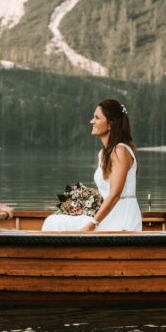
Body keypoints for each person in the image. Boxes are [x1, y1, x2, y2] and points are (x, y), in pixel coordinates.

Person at [42, 99, 142, 232]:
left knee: (55, 222)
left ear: (110, 124)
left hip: (122, 217)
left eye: (97, 118)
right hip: (107, 215)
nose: (91, 121)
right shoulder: (104, 153)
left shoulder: (120, 151)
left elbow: (115, 196)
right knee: (55, 221)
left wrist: (91, 225)